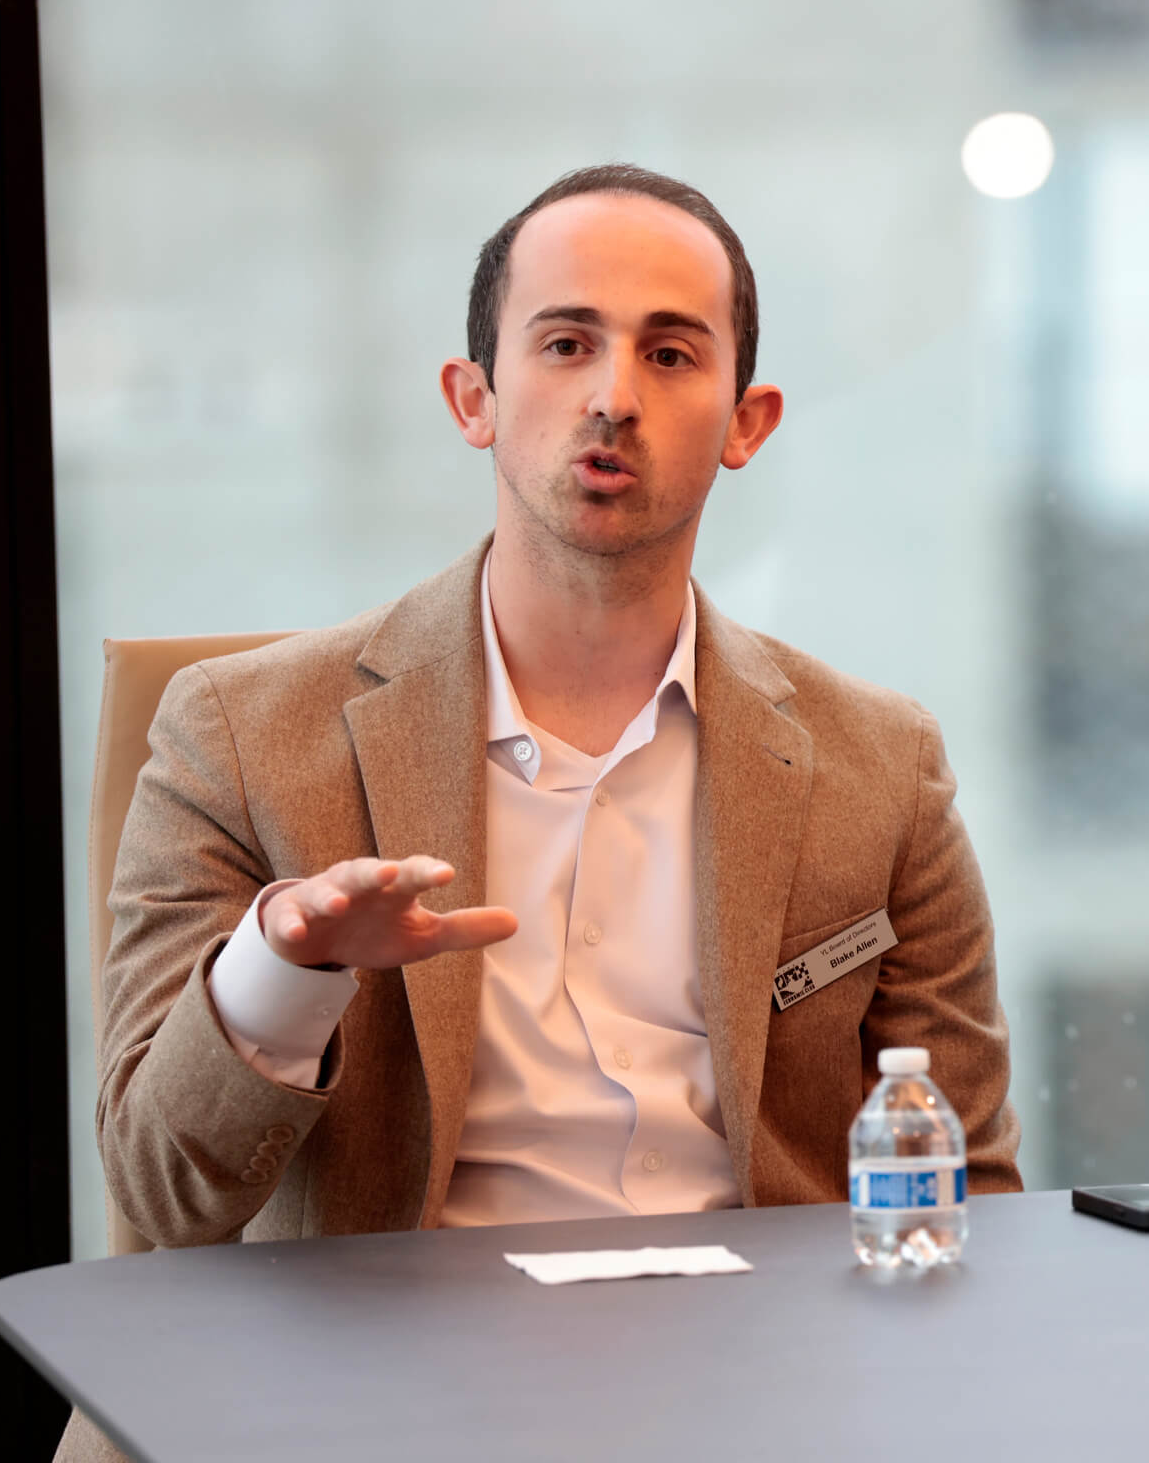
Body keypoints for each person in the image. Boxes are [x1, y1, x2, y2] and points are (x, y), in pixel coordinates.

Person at [83, 162, 1018, 1304]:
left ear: (747, 422)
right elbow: (163, 1193)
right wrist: (288, 965)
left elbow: (976, 1195)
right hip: (397, 1365)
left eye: (669, 354)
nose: (613, 396)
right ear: (472, 398)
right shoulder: (238, 735)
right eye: (567, 344)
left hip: (772, 1359)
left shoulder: (884, 764)